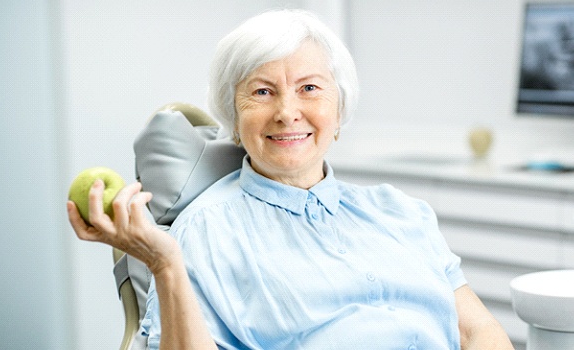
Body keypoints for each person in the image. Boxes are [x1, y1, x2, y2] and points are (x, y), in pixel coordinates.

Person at [67, 9, 514, 350]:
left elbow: (477, 328)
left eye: (309, 88)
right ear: (234, 117)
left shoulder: (399, 211)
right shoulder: (205, 232)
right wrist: (165, 265)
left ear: (338, 111)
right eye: (262, 91)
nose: (287, 111)